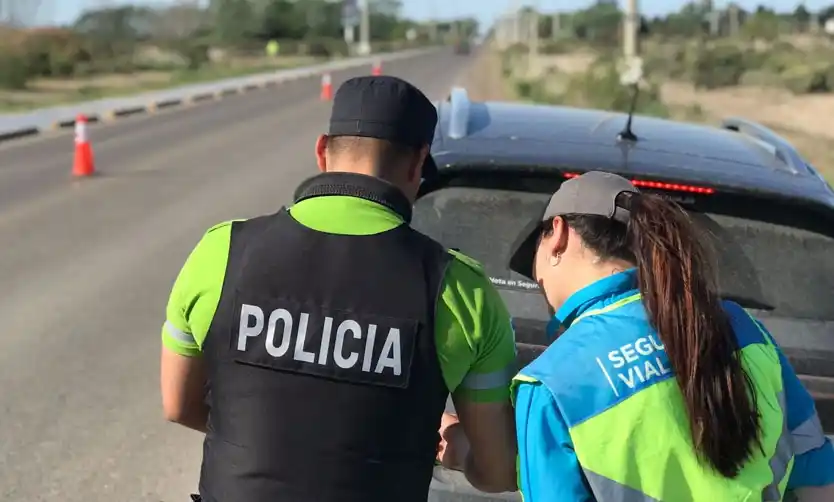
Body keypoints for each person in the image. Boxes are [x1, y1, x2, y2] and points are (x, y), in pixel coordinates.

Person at [159, 75, 517, 502]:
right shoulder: (459, 289)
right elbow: (497, 473)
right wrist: (449, 447)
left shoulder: (222, 251)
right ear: (418, 163)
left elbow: (179, 405)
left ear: (322, 151)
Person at [498, 171, 834, 501]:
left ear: (558, 234)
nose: (536, 277)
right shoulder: (740, 326)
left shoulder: (551, 384)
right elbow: (817, 477)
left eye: (534, 259)